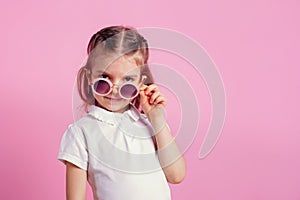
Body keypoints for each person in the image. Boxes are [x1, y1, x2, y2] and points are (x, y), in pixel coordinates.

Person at [57, 25, 186, 200]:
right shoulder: (81, 132)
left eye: (127, 80)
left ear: (141, 82)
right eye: (104, 78)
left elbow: (176, 175)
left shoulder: (151, 125)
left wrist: (157, 120)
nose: (114, 90)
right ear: (89, 77)